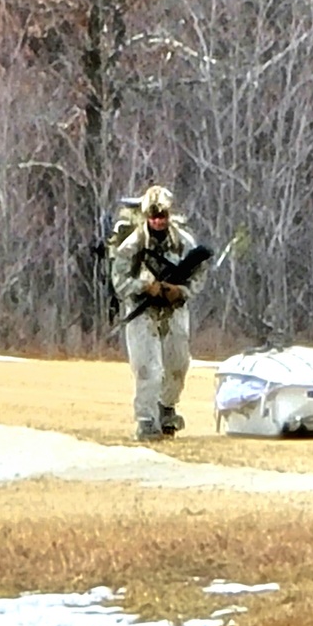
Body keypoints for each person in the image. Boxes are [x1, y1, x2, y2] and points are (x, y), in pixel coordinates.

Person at [111, 185, 208, 441]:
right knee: (147, 368)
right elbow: (119, 282)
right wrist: (145, 287)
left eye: (162, 216)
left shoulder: (184, 243)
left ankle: (168, 408)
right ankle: (145, 420)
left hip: (174, 310)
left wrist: (181, 291)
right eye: (153, 217)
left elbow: (200, 272)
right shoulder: (132, 246)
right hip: (141, 311)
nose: (158, 221)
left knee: (178, 364)